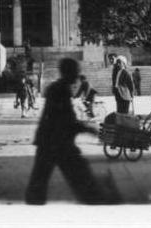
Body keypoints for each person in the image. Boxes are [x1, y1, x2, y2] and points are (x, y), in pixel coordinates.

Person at [25, 58, 109, 205]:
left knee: (39, 181)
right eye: (75, 72)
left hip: (50, 141)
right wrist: (88, 129)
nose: (77, 75)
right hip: (57, 142)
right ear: (68, 72)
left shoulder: (58, 87)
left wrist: (85, 128)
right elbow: (66, 120)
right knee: (80, 178)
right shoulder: (60, 89)